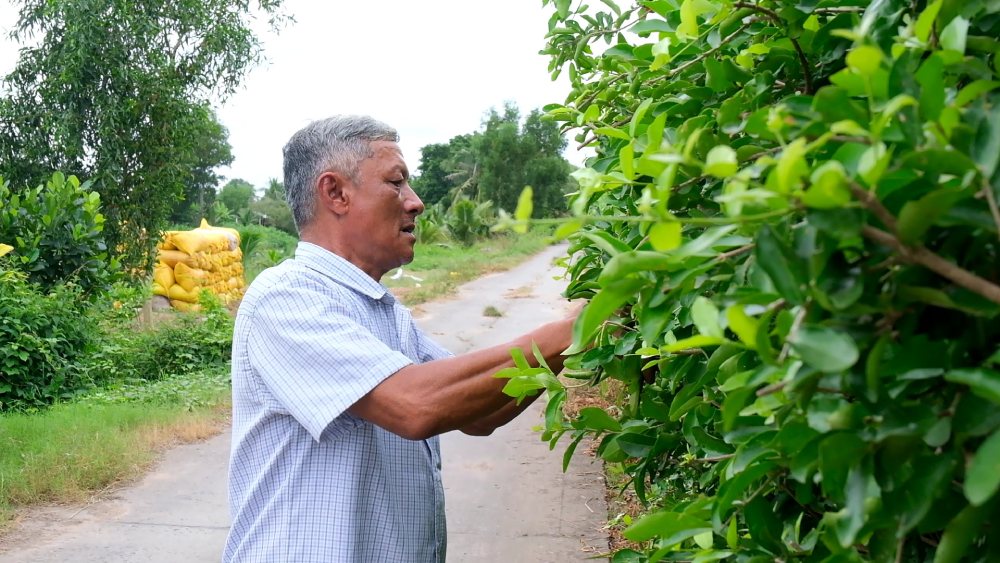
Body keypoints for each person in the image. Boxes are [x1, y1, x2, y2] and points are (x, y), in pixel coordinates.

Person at [223, 115, 575, 562]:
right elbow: (416, 405)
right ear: (335, 193)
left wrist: (575, 344)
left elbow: (480, 413)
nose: (416, 203)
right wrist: (570, 331)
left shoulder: (385, 314)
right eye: (397, 183)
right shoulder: (287, 298)